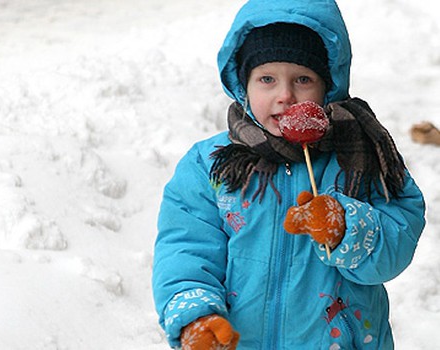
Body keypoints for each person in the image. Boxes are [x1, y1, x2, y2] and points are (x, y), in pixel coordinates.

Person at [152, 0, 426, 349]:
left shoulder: (360, 155)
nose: (285, 96)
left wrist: (346, 227)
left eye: (302, 79)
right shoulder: (210, 165)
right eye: (267, 79)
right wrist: (196, 316)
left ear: (328, 87)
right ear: (243, 85)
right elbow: (187, 249)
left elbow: (399, 238)